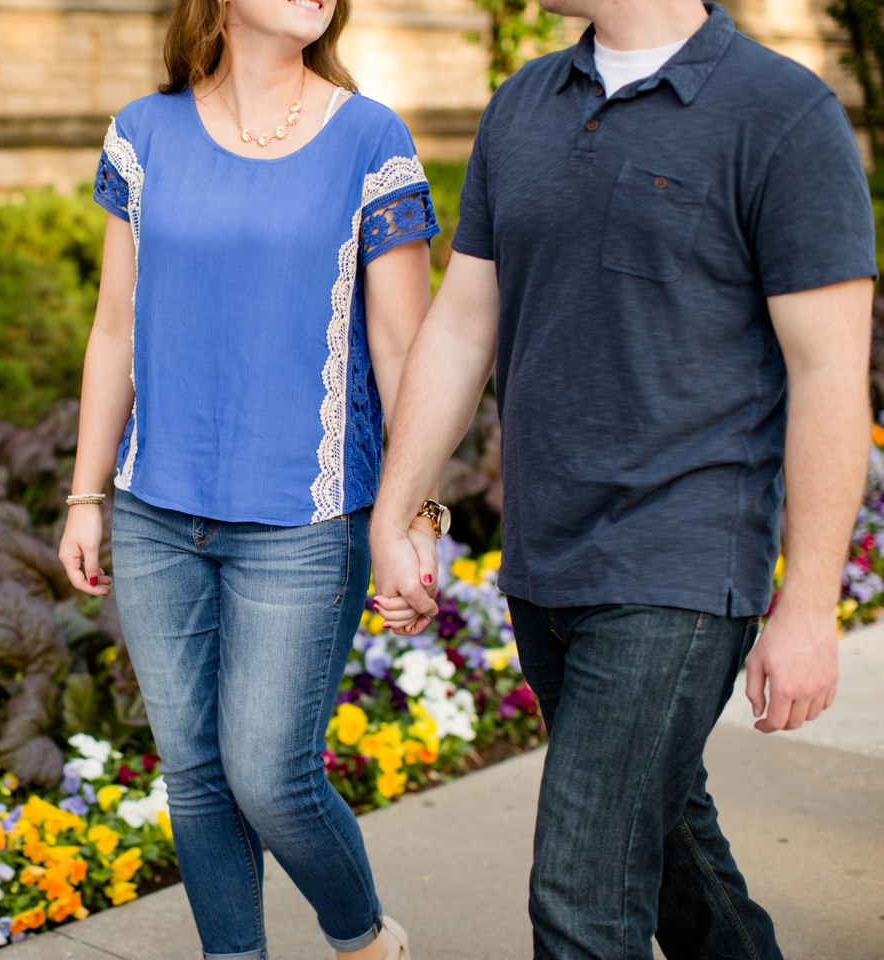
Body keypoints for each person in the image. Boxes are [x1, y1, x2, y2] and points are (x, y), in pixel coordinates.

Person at [369, 0, 876, 957]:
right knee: (677, 855)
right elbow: (463, 321)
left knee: (580, 898)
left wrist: (808, 608)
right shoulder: (523, 105)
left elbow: (827, 375)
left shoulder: (783, 113)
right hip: (547, 561)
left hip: (680, 564)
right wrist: (399, 510)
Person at [55, 0, 441, 955]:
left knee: (270, 776)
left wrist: (418, 513)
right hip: (155, 512)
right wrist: (85, 492)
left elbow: (405, 350)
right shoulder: (142, 134)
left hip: (306, 521)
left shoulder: (369, 139)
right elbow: (114, 329)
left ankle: (362, 938)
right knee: (193, 773)